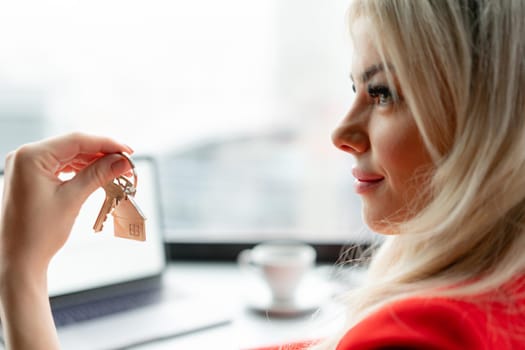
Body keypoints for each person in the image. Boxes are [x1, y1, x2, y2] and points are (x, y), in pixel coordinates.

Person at [1, 0, 525, 349]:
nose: (342, 131)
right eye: (354, 89)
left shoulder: (420, 333)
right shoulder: (502, 288)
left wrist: (20, 275)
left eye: (382, 92)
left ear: (479, 121)